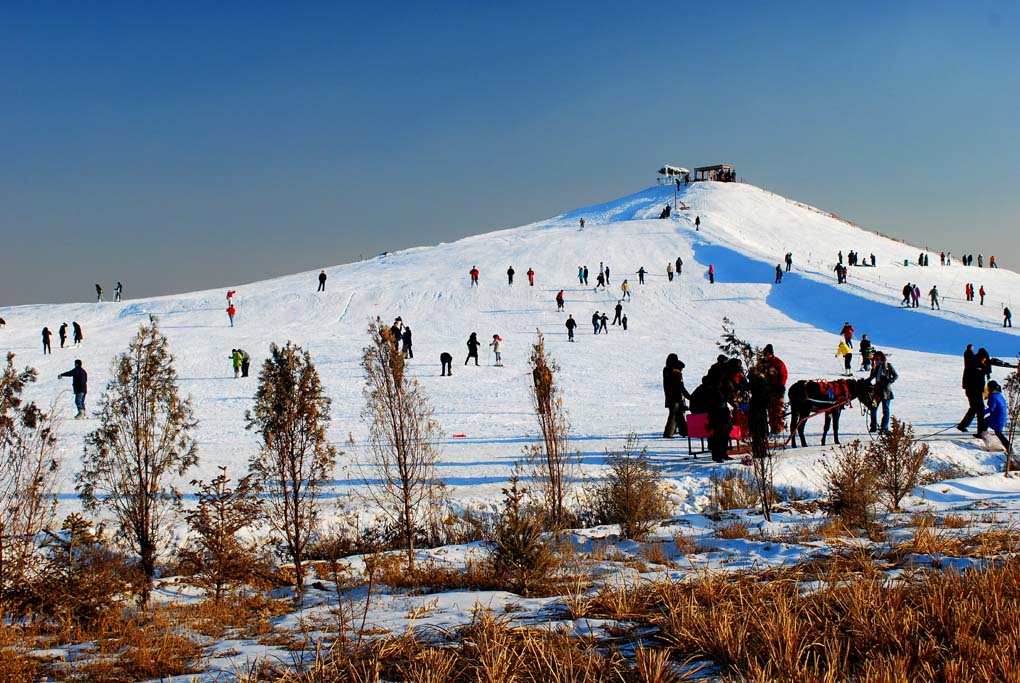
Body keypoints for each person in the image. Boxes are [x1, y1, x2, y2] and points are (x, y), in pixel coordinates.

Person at [958, 346, 991, 435]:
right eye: (984, 359)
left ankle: (962, 425)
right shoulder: (975, 365)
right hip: (975, 390)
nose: (985, 361)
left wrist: (968, 350)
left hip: (970, 390)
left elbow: (968, 356)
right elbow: (969, 357)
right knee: (980, 410)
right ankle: (981, 431)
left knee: (974, 408)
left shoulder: (974, 363)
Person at [662, 354, 692, 438]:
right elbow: (680, 387)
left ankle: (684, 431)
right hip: (676, 398)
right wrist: (689, 397)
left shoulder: (666, 370)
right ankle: (668, 433)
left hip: (669, 397)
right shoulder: (676, 373)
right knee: (674, 415)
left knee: (679, 415)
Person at [868, 352, 897, 433]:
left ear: (881, 357)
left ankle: (884, 427)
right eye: (875, 358)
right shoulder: (876, 367)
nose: (876, 360)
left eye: (877, 358)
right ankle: (873, 427)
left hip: (886, 391)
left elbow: (895, 375)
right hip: (877, 391)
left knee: (885, 410)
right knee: (873, 408)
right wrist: (872, 370)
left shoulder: (888, 366)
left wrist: (889, 381)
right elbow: (872, 377)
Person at [762, 344, 788, 434]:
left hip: (777, 390)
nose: (764, 355)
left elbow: (783, 375)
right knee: (770, 410)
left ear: (770, 353)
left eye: (765, 353)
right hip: (767, 391)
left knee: (777, 410)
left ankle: (779, 428)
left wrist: (780, 387)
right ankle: (772, 428)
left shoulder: (778, 363)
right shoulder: (763, 363)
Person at [984, 381, 1011, 454]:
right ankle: (984, 435)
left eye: (988, 387)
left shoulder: (993, 396)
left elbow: (991, 409)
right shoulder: (998, 394)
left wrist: (982, 412)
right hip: (1001, 415)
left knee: (998, 432)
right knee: (986, 423)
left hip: (997, 417)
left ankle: (1008, 446)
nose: (987, 389)